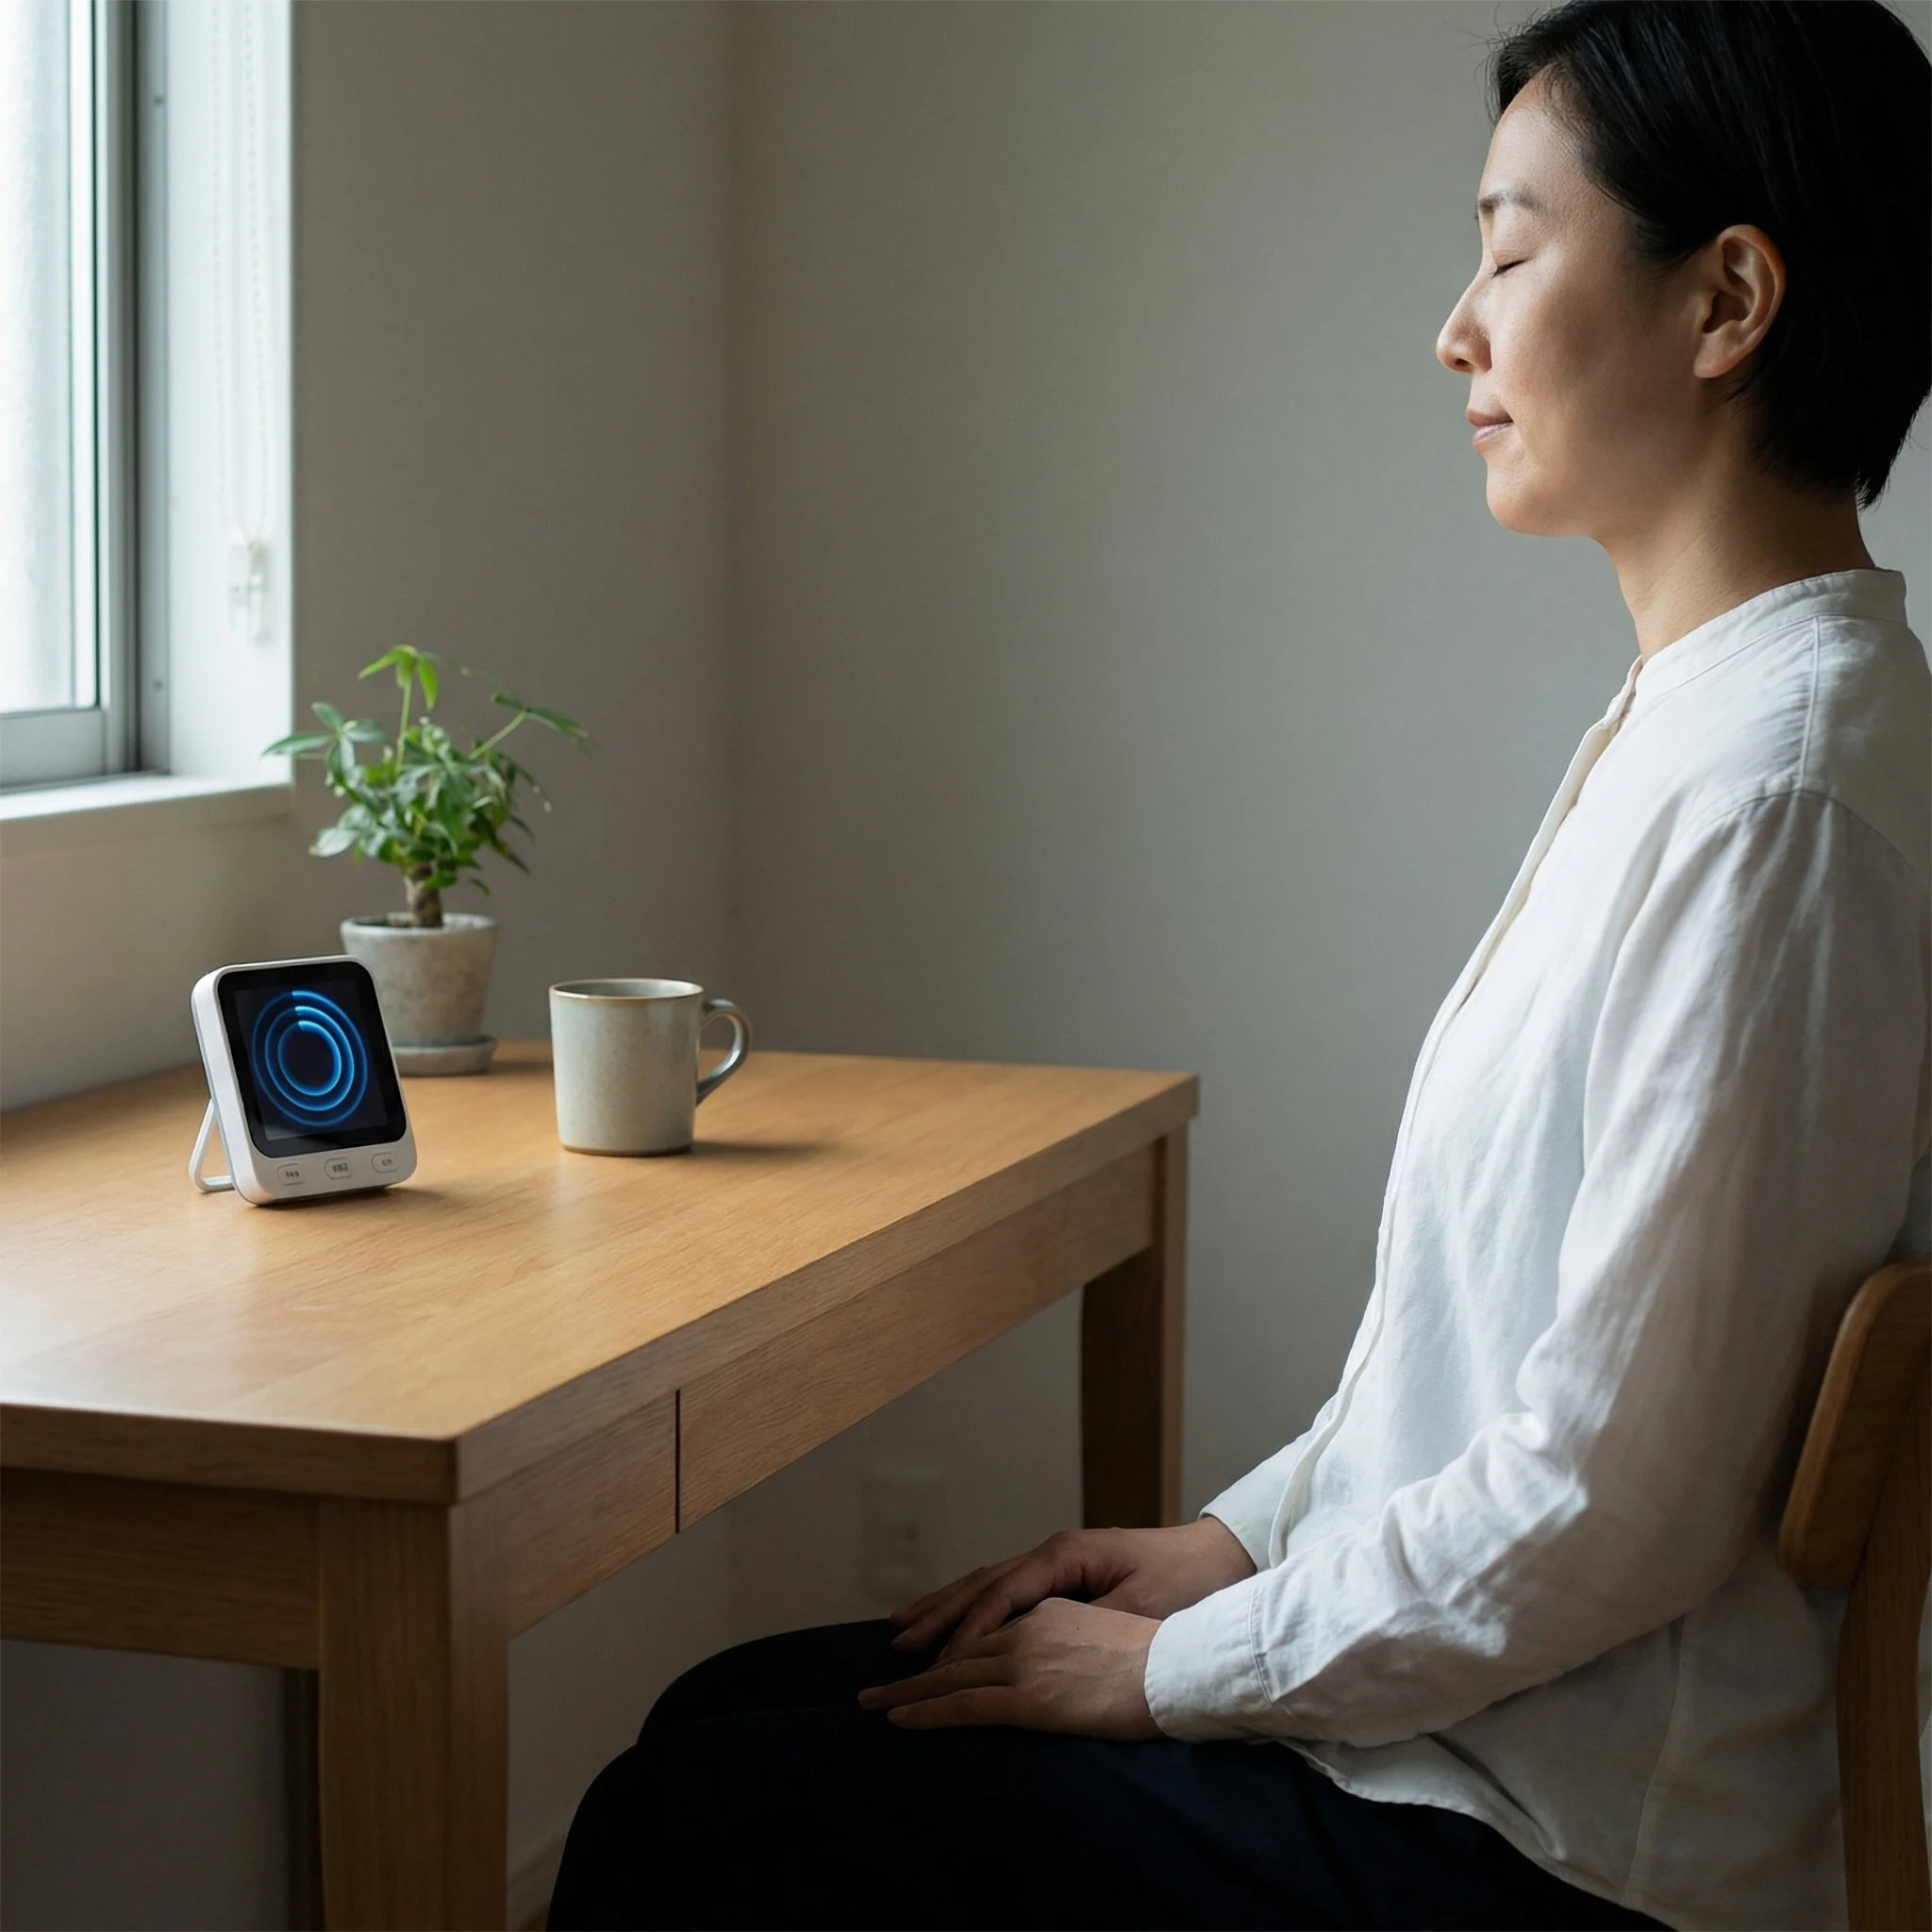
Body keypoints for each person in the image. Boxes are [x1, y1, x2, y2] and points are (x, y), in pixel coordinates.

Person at [550, 3, 1931, 1925]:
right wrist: (1218, 1549)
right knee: (726, 1716)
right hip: (1485, 1739)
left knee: (708, 1814)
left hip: (1553, 1841)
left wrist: (1169, 1673)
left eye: (1513, 250)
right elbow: (1488, 1393)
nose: (1454, 328)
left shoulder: (1771, 792)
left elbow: (1612, 1500)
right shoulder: (1716, 732)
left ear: (1726, 302)